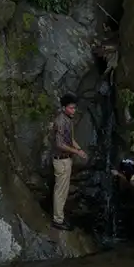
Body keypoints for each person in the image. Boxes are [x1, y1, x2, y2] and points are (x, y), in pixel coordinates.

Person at [50, 93, 86, 230]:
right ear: (64, 108)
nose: (74, 110)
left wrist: (79, 149)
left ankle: (60, 217)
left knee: (63, 191)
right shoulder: (61, 121)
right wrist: (76, 152)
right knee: (60, 191)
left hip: (66, 160)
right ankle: (58, 220)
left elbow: (70, 139)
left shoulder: (67, 119)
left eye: (74, 108)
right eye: (71, 108)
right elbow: (60, 144)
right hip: (61, 161)